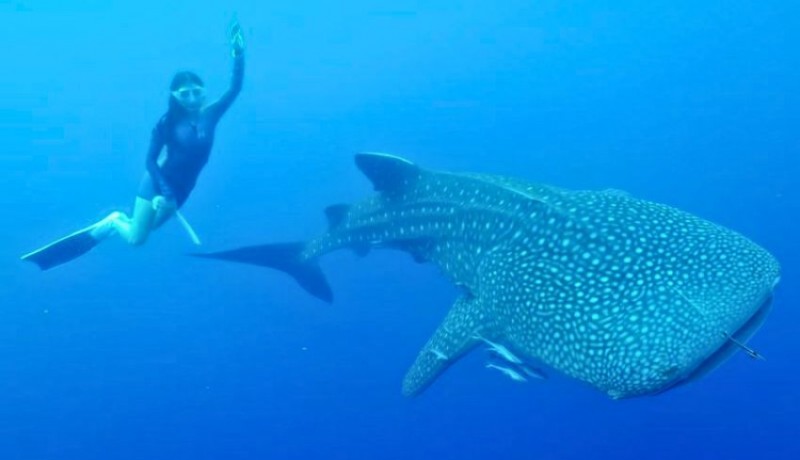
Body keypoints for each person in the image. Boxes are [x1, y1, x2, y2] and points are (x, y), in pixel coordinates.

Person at [21, 20, 246, 270]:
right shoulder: (166, 125)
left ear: (204, 92)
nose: (192, 98)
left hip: (184, 188)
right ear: (174, 95)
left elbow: (235, 87)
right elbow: (150, 161)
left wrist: (238, 53)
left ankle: (138, 218)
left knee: (151, 227)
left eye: (197, 92)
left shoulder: (211, 114)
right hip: (156, 183)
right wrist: (166, 194)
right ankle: (115, 221)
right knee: (137, 239)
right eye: (185, 94)